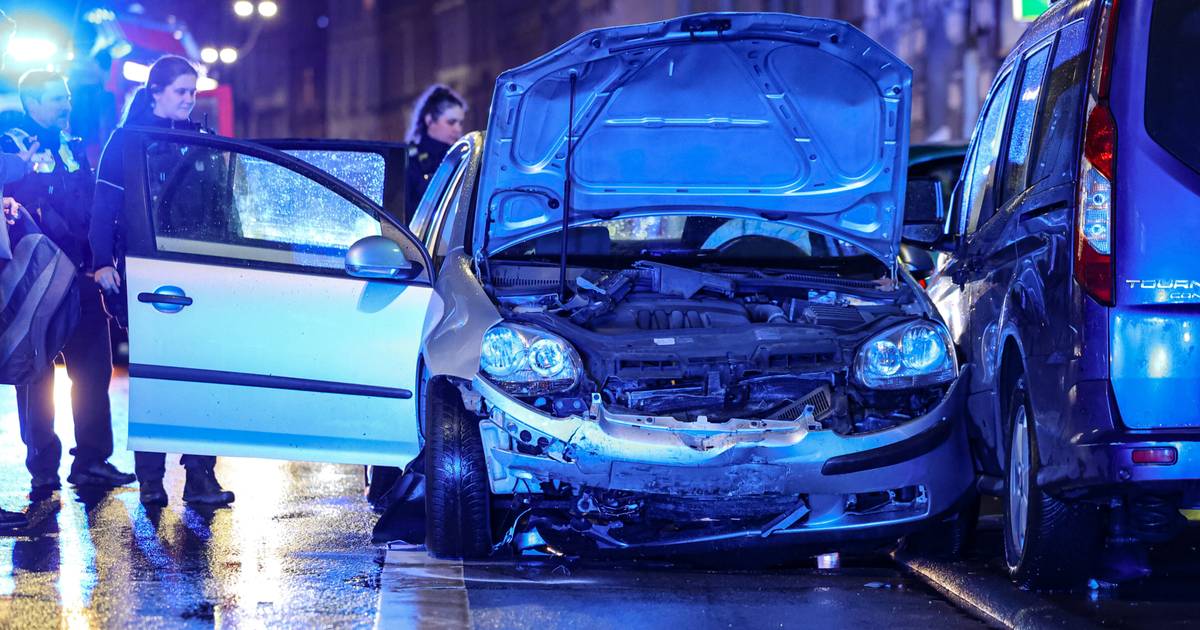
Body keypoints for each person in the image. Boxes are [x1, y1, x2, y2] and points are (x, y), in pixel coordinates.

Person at [89, 55, 234, 508]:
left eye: (193, 93)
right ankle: (151, 479)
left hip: (200, 272)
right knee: (154, 376)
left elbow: (221, 212)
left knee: (202, 376)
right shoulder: (128, 141)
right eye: (180, 92)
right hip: (150, 274)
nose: (189, 101)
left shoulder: (200, 139)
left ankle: (199, 476)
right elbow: (103, 208)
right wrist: (100, 262)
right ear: (155, 93)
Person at [1, 71, 138, 496]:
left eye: (65, 97)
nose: (66, 105)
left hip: (80, 273)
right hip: (40, 278)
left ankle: (93, 460)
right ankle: (43, 466)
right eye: (56, 99)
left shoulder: (71, 144)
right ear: (32, 104)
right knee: (36, 373)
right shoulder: (13, 142)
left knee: (94, 368)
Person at [403, 84, 466, 220]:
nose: (457, 129)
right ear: (430, 120)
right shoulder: (410, 161)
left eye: (460, 123)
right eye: (451, 122)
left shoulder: (462, 159)